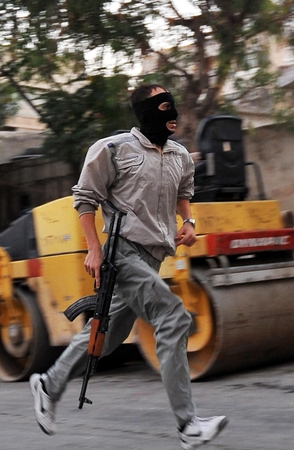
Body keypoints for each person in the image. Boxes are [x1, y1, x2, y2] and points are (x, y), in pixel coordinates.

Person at [30, 84, 228, 449]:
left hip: (154, 256)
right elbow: (85, 199)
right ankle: (188, 425)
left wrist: (189, 223)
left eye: (173, 106)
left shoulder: (181, 155)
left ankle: (49, 383)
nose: (172, 115)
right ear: (145, 111)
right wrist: (93, 249)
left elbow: (185, 191)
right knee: (174, 317)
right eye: (163, 106)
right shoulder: (113, 149)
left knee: (105, 339)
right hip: (122, 252)